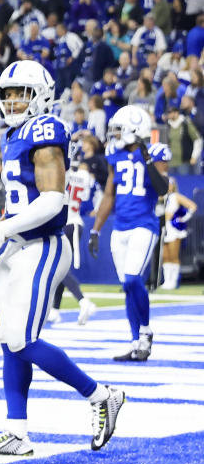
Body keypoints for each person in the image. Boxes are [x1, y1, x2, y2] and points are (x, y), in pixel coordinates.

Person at [0, 60, 125, 456]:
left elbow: (53, 200)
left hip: (44, 245)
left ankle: (101, 394)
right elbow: (23, 200)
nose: (14, 101)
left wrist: (0, 229)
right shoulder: (13, 135)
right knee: (8, 340)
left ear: (42, 95)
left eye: (22, 92)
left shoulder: (44, 128)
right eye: (8, 94)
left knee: (21, 340)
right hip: (18, 246)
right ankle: (17, 433)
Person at [89, 106, 171, 361]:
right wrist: (95, 229)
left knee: (133, 279)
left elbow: (162, 189)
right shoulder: (115, 155)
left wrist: (146, 159)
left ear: (134, 130)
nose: (114, 135)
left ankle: (145, 332)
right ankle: (136, 343)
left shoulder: (154, 153)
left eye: (119, 129)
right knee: (127, 286)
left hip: (143, 225)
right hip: (120, 227)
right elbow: (109, 194)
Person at [47, 151, 98, 326]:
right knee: (61, 267)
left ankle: (83, 301)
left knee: (58, 267)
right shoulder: (84, 176)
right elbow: (86, 196)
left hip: (67, 223)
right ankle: (55, 310)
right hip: (76, 221)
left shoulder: (63, 173)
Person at [160, 177, 197, 289]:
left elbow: (193, 206)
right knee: (165, 256)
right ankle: (167, 281)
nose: (168, 186)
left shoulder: (176, 196)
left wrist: (182, 219)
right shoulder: (161, 197)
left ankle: (174, 281)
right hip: (163, 227)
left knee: (173, 255)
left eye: (170, 184)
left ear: (173, 185)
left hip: (173, 228)